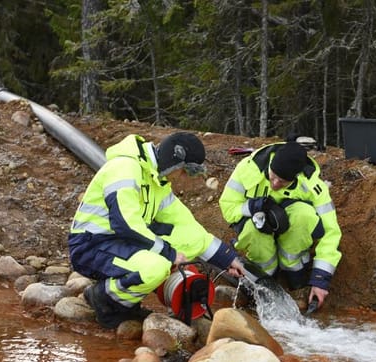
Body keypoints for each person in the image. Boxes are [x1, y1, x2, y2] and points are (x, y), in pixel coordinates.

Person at [69, 132, 245, 329]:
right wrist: (168, 253)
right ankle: (105, 300)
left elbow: (188, 227)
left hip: (121, 242)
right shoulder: (125, 168)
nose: (184, 178)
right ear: (175, 163)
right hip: (91, 245)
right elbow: (125, 223)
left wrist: (227, 258)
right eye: (185, 171)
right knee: (156, 267)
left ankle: (127, 296)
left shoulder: (158, 184)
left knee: (186, 240)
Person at [218, 141, 342, 310]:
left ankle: (296, 278)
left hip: (291, 228)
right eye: (273, 176)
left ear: (296, 176)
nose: (275, 184)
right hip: (255, 221)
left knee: (303, 216)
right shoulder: (248, 169)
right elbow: (228, 206)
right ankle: (264, 280)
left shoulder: (312, 184)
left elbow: (331, 232)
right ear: (270, 163)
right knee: (255, 231)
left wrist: (321, 279)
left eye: (282, 181)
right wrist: (252, 207)